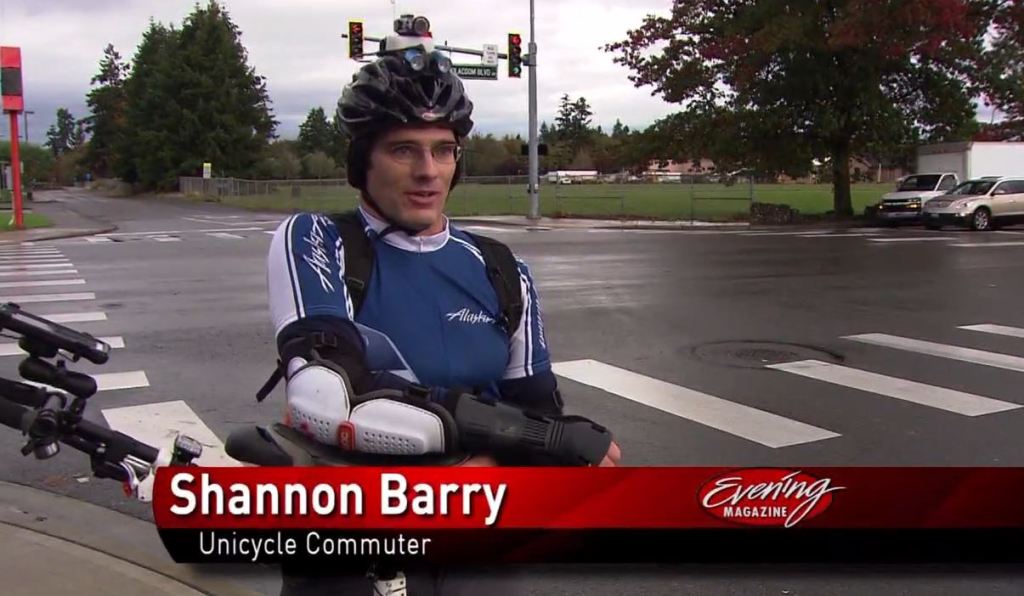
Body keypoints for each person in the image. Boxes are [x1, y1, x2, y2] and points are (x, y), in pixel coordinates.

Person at [265, 46, 619, 595]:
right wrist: (517, 446)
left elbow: (537, 411)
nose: (428, 172)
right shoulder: (320, 239)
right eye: (403, 149)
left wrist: (527, 450)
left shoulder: (502, 268)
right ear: (363, 161)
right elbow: (327, 396)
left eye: (443, 150)